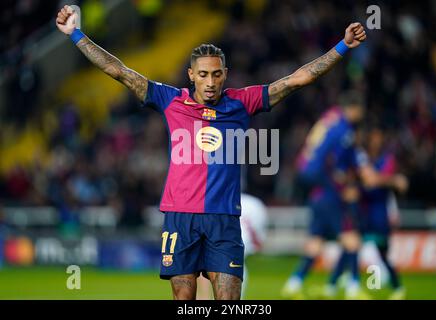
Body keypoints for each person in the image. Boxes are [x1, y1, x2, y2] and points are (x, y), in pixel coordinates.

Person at [56, 5, 367, 300]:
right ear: (191, 75)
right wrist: (75, 34)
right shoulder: (170, 100)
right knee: (185, 298)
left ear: (225, 74)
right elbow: (118, 70)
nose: (210, 82)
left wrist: (343, 46)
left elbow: (298, 79)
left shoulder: (243, 102)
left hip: (224, 219)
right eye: (203, 74)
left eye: (216, 74)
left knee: (229, 298)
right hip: (181, 217)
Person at [281, 91, 374, 300]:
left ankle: (293, 284)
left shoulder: (329, 118)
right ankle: (353, 288)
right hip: (327, 189)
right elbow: (335, 161)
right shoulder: (344, 130)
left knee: (315, 242)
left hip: (315, 189)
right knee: (352, 240)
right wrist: (344, 185)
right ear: (355, 109)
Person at [358, 124, 408, 299]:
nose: (375, 141)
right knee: (352, 247)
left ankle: (396, 288)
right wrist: (392, 180)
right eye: (373, 138)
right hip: (363, 210)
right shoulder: (362, 158)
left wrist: (376, 179)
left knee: (382, 253)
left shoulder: (387, 160)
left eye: (378, 138)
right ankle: (345, 284)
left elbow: (372, 182)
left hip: (379, 212)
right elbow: (376, 181)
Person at [196, 193, 268, 299]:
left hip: (222, 242)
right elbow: (258, 238)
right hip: (238, 246)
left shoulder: (215, 198)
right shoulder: (254, 203)